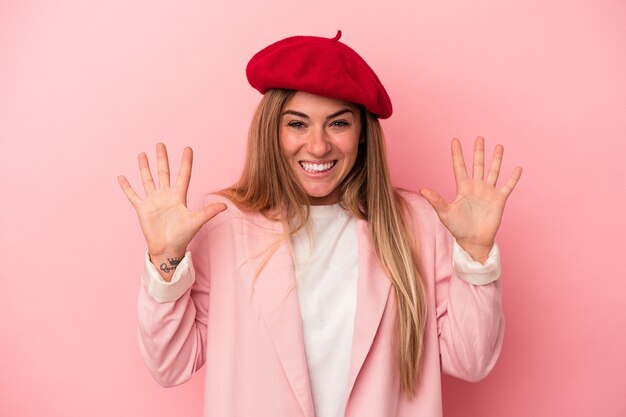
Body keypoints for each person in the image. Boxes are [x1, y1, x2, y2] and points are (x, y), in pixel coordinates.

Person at [117, 30, 522, 417]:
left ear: (362, 132)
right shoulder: (223, 224)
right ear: (272, 131)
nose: (318, 145)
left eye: (338, 123)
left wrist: (476, 257)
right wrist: (166, 260)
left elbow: (471, 362)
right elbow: (170, 366)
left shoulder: (416, 224)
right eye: (297, 123)